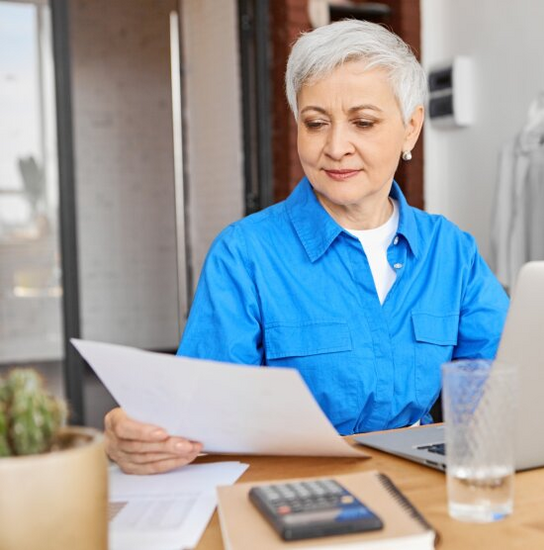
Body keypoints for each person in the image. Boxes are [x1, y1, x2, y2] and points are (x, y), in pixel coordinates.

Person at [104, 20, 509, 474]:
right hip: (293, 493)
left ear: (410, 129)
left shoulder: (452, 252)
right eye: (316, 123)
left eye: (363, 122)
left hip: (420, 485)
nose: (336, 147)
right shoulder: (245, 256)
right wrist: (140, 433)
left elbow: (499, 390)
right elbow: (197, 420)